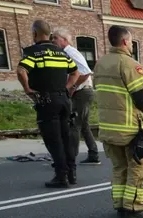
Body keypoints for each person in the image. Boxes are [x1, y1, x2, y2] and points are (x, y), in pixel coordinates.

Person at [94, 25, 143, 218]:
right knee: (138, 168)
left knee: (119, 168)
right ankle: (135, 208)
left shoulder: (100, 64)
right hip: (129, 129)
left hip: (108, 129)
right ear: (124, 41)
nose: (131, 44)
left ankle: (120, 206)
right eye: (130, 41)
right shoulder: (129, 64)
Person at [17, 20, 80, 188]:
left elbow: (21, 70)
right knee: (66, 136)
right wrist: (67, 88)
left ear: (34, 34)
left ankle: (61, 176)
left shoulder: (32, 52)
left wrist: (27, 89)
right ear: (50, 34)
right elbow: (75, 72)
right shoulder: (61, 53)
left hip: (46, 100)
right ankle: (72, 173)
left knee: (54, 139)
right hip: (64, 100)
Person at [51, 28, 100, 165]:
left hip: (81, 92)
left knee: (74, 124)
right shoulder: (66, 53)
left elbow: (85, 72)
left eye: (55, 38)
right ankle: (93, 153)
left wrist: (72, 87)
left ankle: (70, 158)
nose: (53, 41)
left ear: (64, 40)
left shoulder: (70, 52)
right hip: (84, 91)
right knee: (83, 125)